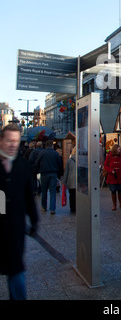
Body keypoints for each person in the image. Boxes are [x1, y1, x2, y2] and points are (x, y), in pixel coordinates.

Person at [0, 123, 38, 300]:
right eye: (9, 140)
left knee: (16, 272)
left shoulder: (22, 166)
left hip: (15, 228)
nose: (12, 144)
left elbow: (29, 195)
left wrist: (34, 219)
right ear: (1, 141)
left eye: (16, 141)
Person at [35, 139, 63, 214]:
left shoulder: (41, 153)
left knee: (44, 191)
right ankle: (52, 208)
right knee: (52, 191)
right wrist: (59, 173)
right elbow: (60, 163)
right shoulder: (55, 153)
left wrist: (38, 170)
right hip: (53, 174)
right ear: (52, 145)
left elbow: (37, 163)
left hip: (44, 173)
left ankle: (44, 207)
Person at [62, 146, 76, 212]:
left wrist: (64, 182)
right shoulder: (83, 160)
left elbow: (66, 171)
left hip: (71, 180)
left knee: (72, 194)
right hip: (80, 180)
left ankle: (72, 207)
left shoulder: (69, 160)